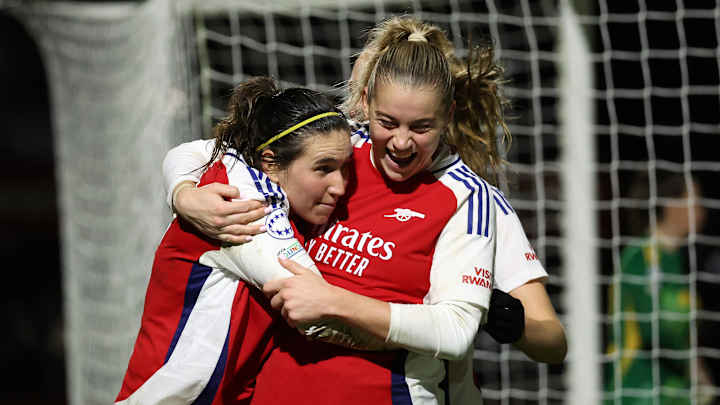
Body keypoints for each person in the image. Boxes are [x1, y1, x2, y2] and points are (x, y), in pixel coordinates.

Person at [164, 16, 566, 404]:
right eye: (387, 122)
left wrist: (503, 319)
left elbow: (539, 340)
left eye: (421, 127)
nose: (402, 143)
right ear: (367, 102)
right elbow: (203, 153)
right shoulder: (335, 150)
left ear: (448, 114)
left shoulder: (472, 203)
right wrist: (184, 193)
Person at [116, 77, 365, 404]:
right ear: (271, 162)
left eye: (345, 168)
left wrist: (180, 192)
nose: (340, 186)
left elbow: (192, 151)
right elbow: (321, 316)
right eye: (324, 169)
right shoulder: (245, 208)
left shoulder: (241, 164)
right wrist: (428, 330)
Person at [604, 173, 712, 404]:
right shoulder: (639, 256)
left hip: (674, 392)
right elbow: (658, 328)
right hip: (637, 391)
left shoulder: (679, 261)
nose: (702, 209)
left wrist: (701, 378)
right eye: (694, 199)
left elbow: (684, 336)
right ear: (671, 205)